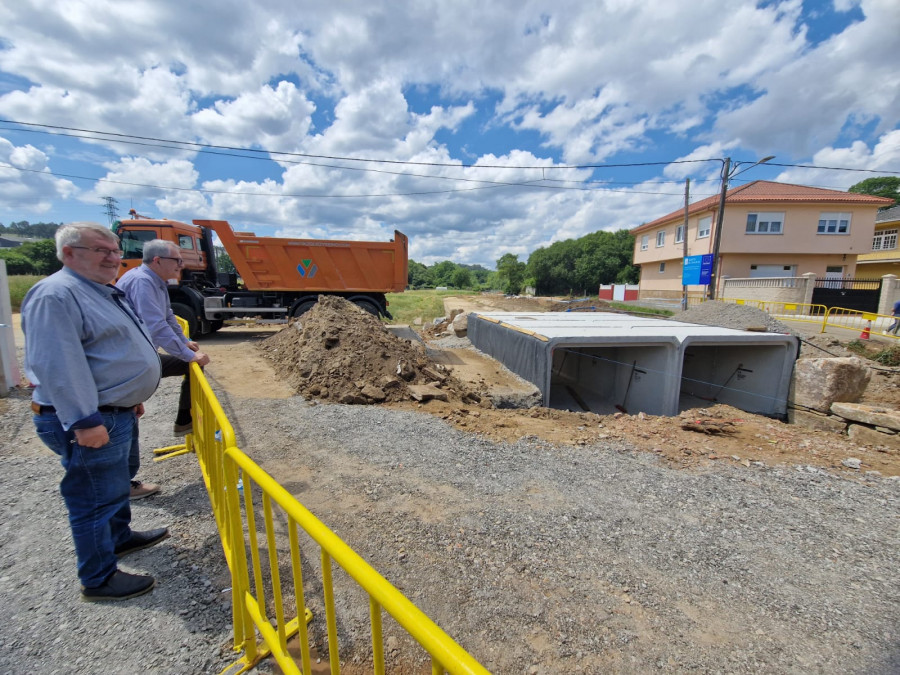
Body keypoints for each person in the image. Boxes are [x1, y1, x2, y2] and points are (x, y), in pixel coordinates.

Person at [22, 222, 168, 601]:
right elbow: (59, 365)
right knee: (93, 499)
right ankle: (98, 578)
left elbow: (107, 352)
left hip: (112, 411)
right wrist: (85, 420)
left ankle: (119, 540)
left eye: (115, 250)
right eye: (101, 250)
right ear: (69, 254)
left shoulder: (99, 290)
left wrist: (129, 394)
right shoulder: (56, 295)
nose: (113, 257)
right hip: (91, 418)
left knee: (115, 486)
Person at [116, 239, 210, 455]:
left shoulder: (156, 282)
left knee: (189, 365)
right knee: (124, 411)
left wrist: (184, 342)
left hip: (142, 353)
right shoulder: (142, 282)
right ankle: (122, 475)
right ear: (157, 260)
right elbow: (155, 325)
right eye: (177, 260)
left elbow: (168, 316)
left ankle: (185, 421)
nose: (181, 265)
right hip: (131, 358)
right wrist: (187, 355)